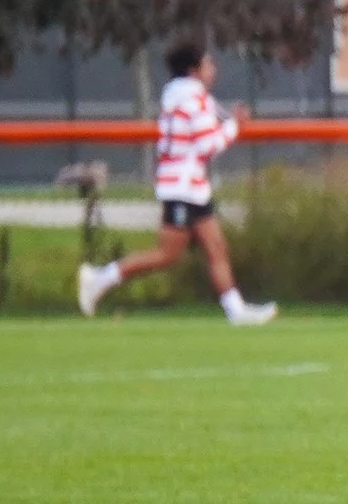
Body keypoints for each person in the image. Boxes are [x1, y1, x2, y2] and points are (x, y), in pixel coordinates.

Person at [76, 43, 279, 325]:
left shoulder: (183, 96)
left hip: (192, 187)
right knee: (168, 255)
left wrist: (230, 120)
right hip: (182, 188)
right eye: (208, 64)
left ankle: (236, 311)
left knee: (217, 247)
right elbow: (208, 145)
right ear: (194, 70)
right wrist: (234, 126)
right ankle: (99, 279)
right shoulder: (193, 100)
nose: (213, 69)